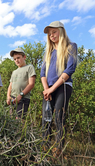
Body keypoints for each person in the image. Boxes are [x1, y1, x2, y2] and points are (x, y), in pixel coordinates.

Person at [41, 21, 77, 156]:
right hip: (48, 88)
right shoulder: (49, 52)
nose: (51, 35)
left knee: (58, 116)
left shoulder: (71, 47)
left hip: (63, 86)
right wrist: (46, 89)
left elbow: (70, 69)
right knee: (46, 118)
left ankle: (59, 149)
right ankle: (44, 147)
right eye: (50, 34)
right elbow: (42, 73)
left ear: (61, 31)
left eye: (54, 32)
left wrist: (52, 89)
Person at [7, 48, 36, 118]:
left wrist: (20, 95)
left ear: (24, 57)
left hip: (23, 98)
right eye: (14, 59)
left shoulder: (29, 67)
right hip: (13, 98)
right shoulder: (14, 71)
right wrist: (8, 96)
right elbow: (10, 85)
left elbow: (31, 84)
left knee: (19, 120)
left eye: (18, 58)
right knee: (10, 120)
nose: (16, 60)